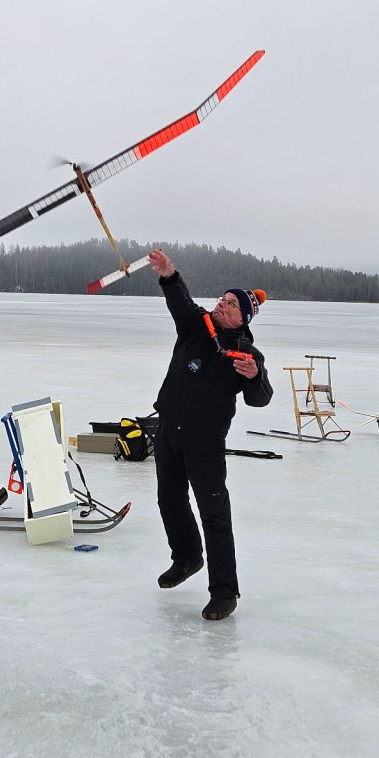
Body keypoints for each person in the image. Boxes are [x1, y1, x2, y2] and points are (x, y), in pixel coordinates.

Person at [148, 248, 273, 621]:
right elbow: (179, 300)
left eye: (231, 303)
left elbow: (261, 399)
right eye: (222, 298)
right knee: (169, 501)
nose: (222, 304)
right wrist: (169, 273)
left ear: (242, 317)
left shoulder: (245, 353)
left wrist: (254, 377)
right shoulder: (195, 324)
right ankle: (186, 557)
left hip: (205, 441)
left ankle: (224, 592)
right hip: (169, 428)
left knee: (214, 514)